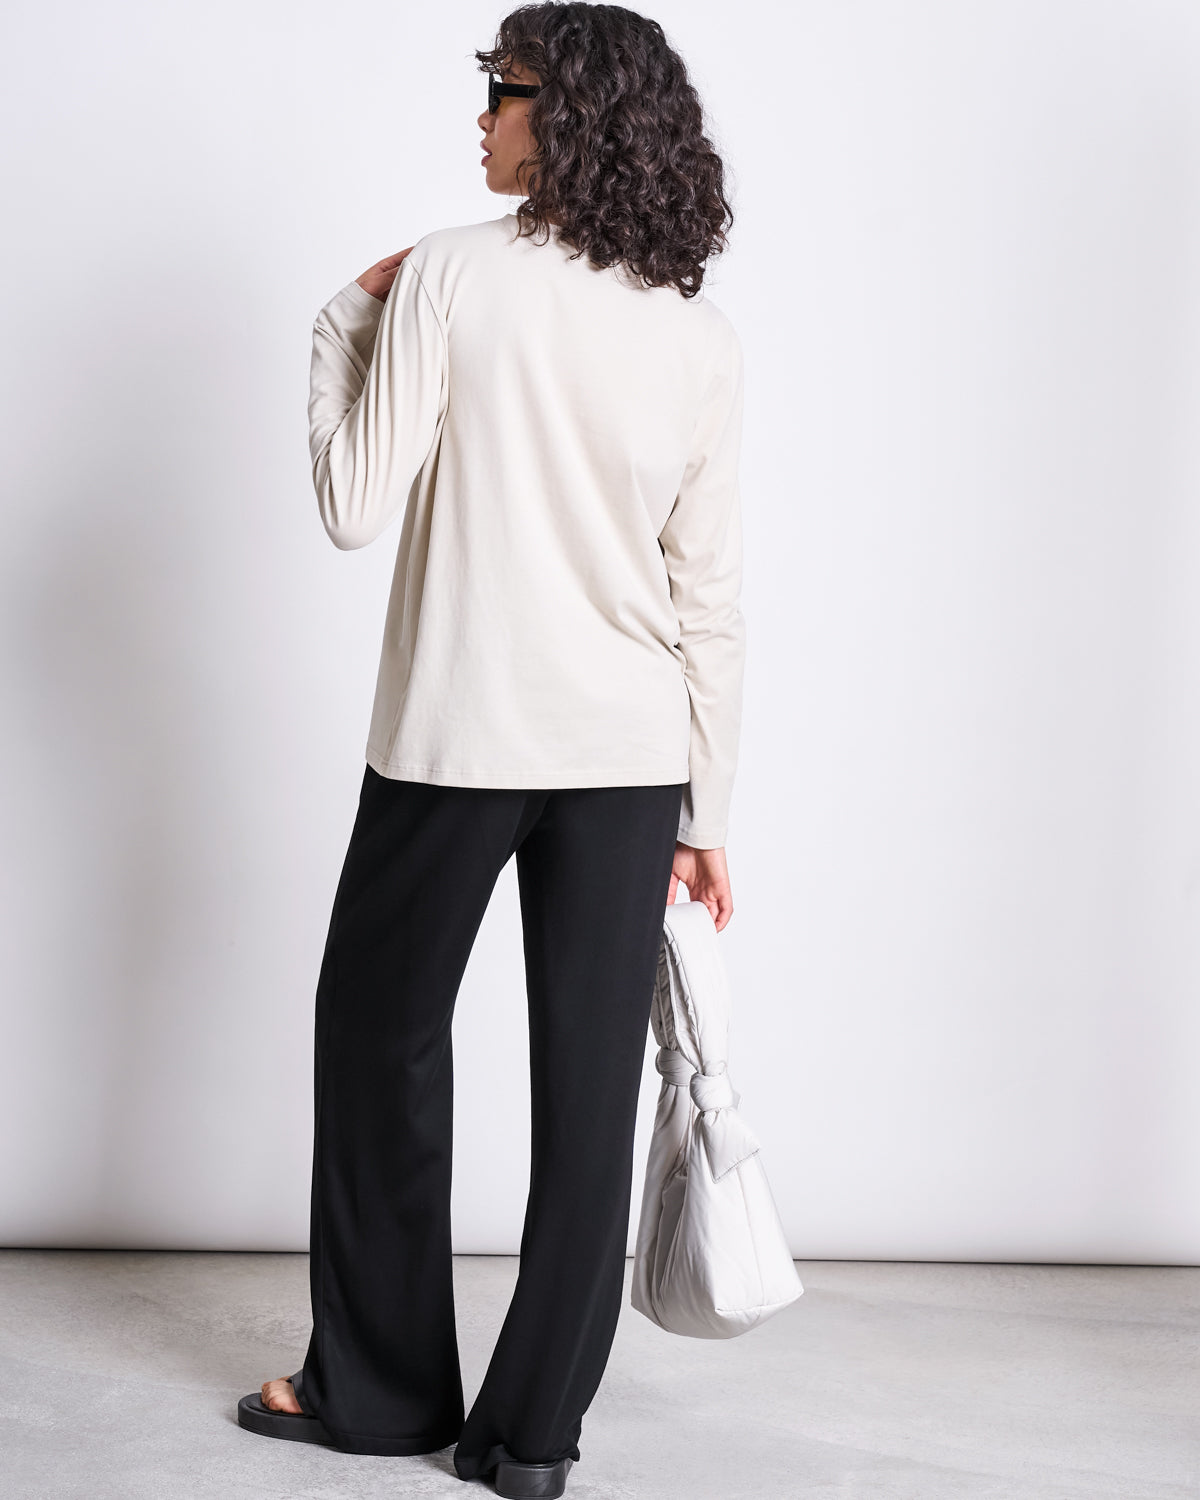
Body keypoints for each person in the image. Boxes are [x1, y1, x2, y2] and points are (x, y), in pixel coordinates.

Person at [236, 5, 746, 1496]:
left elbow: (351, 502)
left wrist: (342, 320)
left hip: (457, 738)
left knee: (379, 1038)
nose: (481, 114)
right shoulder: (698, 334)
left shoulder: (454, 274)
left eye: (502, 89)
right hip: (633, 757)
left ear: (563, 115)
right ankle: (531, 1438)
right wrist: (708, 809)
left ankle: (381, 1395)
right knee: (589, 1094)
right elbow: (710, 600)